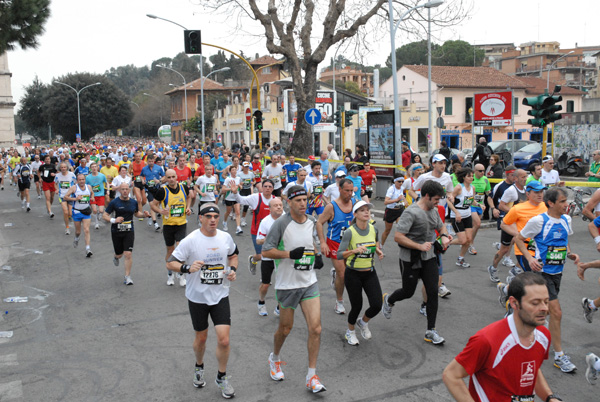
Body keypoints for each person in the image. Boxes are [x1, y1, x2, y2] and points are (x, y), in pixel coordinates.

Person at [442, 272, 561, 402]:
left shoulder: (543, 336)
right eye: (535, 303)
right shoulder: (487, 340)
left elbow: (530, 371)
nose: (544, 308)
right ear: (514, 303)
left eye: (546, 302)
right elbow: (451, 375)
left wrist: (550, 397)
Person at [166, 203, 239, 399]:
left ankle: (221, 377)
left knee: (224, 339)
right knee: (202, 338)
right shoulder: (190, 240)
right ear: (200, 218)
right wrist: (187, 268)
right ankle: (199, 366)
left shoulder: (225, 237)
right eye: (208, 216)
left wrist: (233, 270)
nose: (213, 219)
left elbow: (233, 255)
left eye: (216, 216)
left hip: (220, 295)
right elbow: (170, 262)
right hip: (197, 297)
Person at [261, 185, 326, 394]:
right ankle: (275, 358)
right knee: (285, 329)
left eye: (305, 200)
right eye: (298, 201)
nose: (302, 204)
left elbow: (312, 243)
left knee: (315, 328)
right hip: (287, 285)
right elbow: (267, 250)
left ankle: (312, 376)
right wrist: (290, 255)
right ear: (289, 202)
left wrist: (316, 257)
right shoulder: (281, 224)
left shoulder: (312, 222)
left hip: (309, 282)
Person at [515, 187, 579, 373]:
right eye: (562, 201)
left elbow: (565, 240)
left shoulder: (567, 220)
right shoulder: (538, 221)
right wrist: (529, 258)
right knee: (556, 312)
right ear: (550, 203)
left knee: (544, 311)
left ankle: (514, 302)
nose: (566, 205)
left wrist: (569, 254)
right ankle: (559, 356)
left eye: (566, 201)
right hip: (541, 272)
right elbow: (519, 239)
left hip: (557, 272)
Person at [381, 181, 452, 344]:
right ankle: (389, 300)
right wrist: (419, 246)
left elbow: (441, 228)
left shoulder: (433, 211)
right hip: (410, 259)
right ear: (426, 196)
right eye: (435, 199)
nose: (437, 202)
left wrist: (445, 237)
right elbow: (398, 236)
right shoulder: (411, 212)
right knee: (408, 291)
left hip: (430, 257)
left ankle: (431, 331)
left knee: (433, 291)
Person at [337, 200, 384, 345]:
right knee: (356, 306)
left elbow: (373, 243)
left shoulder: (373, 229)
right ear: (355, 214)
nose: (366, 212)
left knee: (377, 304)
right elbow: (339, 254)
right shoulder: (349, 232)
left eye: (368, 210)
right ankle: (350, 331)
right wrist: (353, 251)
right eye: (362, 210)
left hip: (370, 272)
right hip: (353, 274)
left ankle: (363, 322)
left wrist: (378, 250)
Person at [316, 179, 356, 315]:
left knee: (350, 273)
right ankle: (339, 302)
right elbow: (319, 223)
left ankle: (336, 276)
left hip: (350, 244)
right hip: (335, 244)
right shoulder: (331, 207)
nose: (350, 194)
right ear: (339, 189)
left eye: (352, 191)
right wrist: (322, 242)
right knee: (342, 273)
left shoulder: (354, 203)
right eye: (347, 191)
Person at [151, 169, 193, 287]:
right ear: (166, 178)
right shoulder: (162, 191)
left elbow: (189, 197)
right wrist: (161, 211)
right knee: (170, 250)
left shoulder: (184, 187)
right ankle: (170, 273)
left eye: (173, 177)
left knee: (180, 249)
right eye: (168, 177)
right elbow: (153, 204)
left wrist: (188, 208)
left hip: (181, 223)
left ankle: (180, 274)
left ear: (176, 177)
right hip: (168, 225)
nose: (171, 179)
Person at [103, 182, 151, 285]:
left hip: (129, 230)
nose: (125, 191)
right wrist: (114, 220)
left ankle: (127, 276)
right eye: (123, 189)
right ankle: (116, 257)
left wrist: (144, 215)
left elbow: (136, 213)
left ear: (129, 191)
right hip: (116, 231)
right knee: (120, 254)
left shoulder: (133, 202)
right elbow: (105, 215)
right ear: (119, 190)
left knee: (128, 254)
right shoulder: (114, 202)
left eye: (126, 189)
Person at [232, 179, 276, 275]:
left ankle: (265, 278)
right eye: (265, 186)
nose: (267, 188)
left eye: (270, 187)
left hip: (271, 233)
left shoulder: (275, 200)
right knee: (261, 255)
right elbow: (241, 200)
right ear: (262, 188)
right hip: (257, 232)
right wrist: (235, 193)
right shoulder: (256, 198)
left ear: (273, 188)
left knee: (270, 255)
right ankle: (253, 259)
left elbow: (282, 215)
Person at [256, 198, 284, 316]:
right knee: (266, 284)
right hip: (268, 256)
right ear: (270, 208)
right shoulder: (266, 221)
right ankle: (261, 303)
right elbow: (258, 241)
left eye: (280, 205)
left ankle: (279, 306)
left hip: (282, 256)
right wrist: (269, 239)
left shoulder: (287, 219)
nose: (278, 207)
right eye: (275, 205)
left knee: (282, 283)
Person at [448, 168, 480, 268]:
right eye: (469, 176)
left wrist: (479, 205)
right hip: (457, 216)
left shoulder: (472, 188)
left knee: (469, 239)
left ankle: (460, 259)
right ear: (463, 177)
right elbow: (449, 201)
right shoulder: (458, 188)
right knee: (462, 241)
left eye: (472, 176)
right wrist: (456, 212)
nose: (471, 178)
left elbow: (471, 201)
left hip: (467, 215)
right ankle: (445, 243)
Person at [63, 174, 95, 257]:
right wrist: (75, 199)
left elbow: (92, 193)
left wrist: (92, 197)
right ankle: (76, 238)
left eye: (83, 179)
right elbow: (65, 197)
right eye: (80, 180)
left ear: (85, 180)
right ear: (77, 181)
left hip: (86, 212)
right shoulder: (74, 188)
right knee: (78, 231)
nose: (81, 181)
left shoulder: (89, 187)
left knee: (86, 230)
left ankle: (88, 249)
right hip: (77, 212)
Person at [469, 163, 493, 255]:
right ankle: (470, 244)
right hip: (471, 204)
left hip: (480, 205)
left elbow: (487, 192)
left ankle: (468, 241)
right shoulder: (471, 178)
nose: (482, 172)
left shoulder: (485, 179)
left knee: (474, 226)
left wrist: (490, 194)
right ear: (475, 171)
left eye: (483, 170)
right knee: (478, 224)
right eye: (480, 171)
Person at [381, 173, 407, 247]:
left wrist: (405, 201)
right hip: (391, 211)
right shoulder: (391, 189)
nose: (401, 183)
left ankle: (403, 246)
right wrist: (396, 200)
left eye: (402, 181)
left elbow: (402, 196)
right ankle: (381, 245)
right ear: (395, 181)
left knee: (401, 228)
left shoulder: (401, 188)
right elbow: (386, 202)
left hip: (400, 210)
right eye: (399, 182)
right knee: (387, 231)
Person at [55, 162, 77, 235]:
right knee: (65, 212)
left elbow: (76, 183)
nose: (63, 169)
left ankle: (69, 217)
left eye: (65, 167)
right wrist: (56, 189)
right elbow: (55, 183)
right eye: (62, 167)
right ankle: (67, 228)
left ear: (67, 167)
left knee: (70, 213)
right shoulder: (57, 176)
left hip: (70, 196)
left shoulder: (71, 175)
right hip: (62, 196)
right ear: (59, 168)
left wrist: (75, 190)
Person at [221, 165, 243, 235]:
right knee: (228, 212)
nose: (234, 171)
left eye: (235, 170)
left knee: (238, 212)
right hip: (229, 198)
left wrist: (240, 186)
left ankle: (238, 228)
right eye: (232, 170)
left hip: (236, 198)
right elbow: (223, 189)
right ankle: (224, 222)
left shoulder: (239, 178)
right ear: (230, 171)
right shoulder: (228, 179)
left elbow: (240, 188)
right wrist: (231, 189)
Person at [85, 162, 107, 230]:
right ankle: (96, 223)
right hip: (92, 195)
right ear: (90, 168)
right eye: (92, 167)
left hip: (100, 195)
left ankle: (100, 215)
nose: (94, 168)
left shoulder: (102, 175)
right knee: (94, 210)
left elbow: (106, 183)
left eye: (95, 167)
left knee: (100, 210)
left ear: (98, 167)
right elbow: (85, 186)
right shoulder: (88, 177)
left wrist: (108, 190)